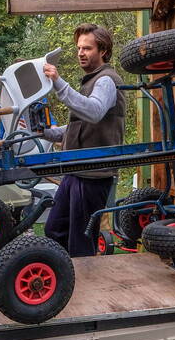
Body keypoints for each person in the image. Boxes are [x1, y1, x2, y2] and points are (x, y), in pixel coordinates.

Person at [38, 23, 126, 257]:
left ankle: (86, 285)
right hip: (77, 169)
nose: (80, 53)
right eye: (79, 48)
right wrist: (48, 133)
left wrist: (58, 82)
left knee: (81, 238)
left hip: (94, 173)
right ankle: (66, 276)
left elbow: (94, 112)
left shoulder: (106, 80)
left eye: (87, 48)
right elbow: (81, 124)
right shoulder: (91, 81)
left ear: (103, 51)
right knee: (55, 228)